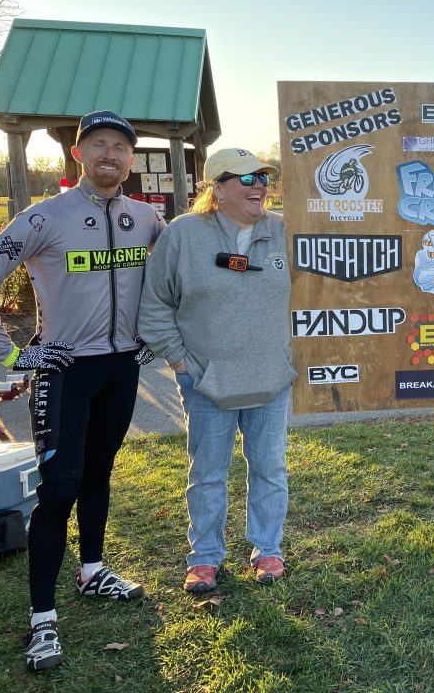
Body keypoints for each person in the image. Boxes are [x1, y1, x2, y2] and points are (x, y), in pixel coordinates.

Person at [0, 110, 165, 671]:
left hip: (123, 369)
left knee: (99, 473)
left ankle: (94, 570)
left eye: (120, 147)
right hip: (65, 370)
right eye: (98, 144)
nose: (110, 154)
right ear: (78, 155)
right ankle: (43, 621)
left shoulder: (147, 220)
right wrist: (11, 354)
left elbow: (176, 279)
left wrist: (154, 336)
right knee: (58, 491)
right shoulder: (44, 217)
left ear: (130, 159)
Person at [137, 148, 297, 594]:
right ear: (217, 187)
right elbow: (154, 306)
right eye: (245, 179)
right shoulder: (184, 235)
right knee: (207, 472)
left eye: (262, 177)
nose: (258, 186)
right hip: (207, 382)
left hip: (270, 379)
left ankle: (268, 549)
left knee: (270, 468)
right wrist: (181, 361)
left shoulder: (285, 229)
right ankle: (205, 557)